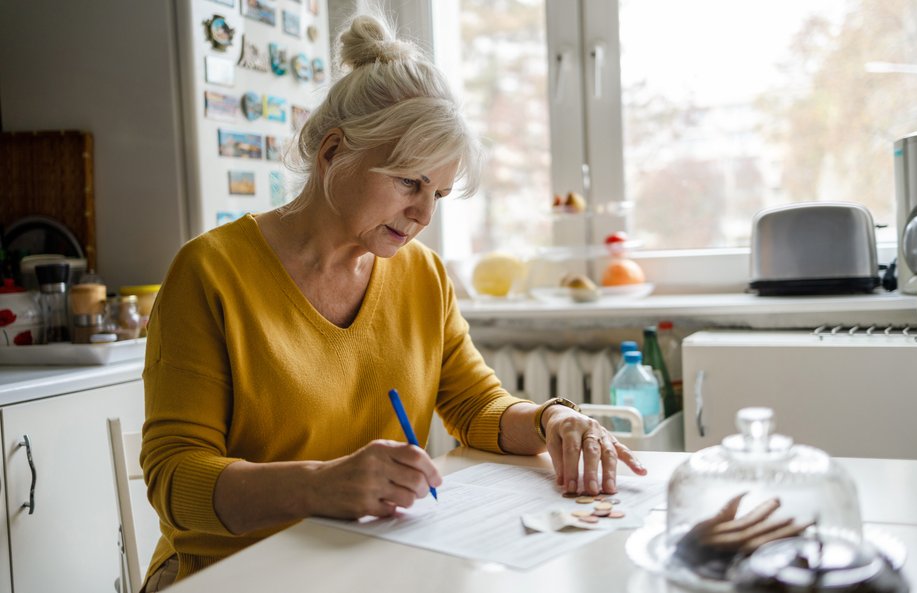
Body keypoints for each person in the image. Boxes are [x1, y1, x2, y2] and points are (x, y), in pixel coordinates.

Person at [139, 11, 647, 590]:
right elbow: (174, 482)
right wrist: (317, 485)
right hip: (227, 572)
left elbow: (477, 408)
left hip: (358, 562)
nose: (424, 214)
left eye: (438, 193)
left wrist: (555, 417)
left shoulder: (422, 275)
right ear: (333, 152)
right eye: (409, 182)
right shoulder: (211, 272)